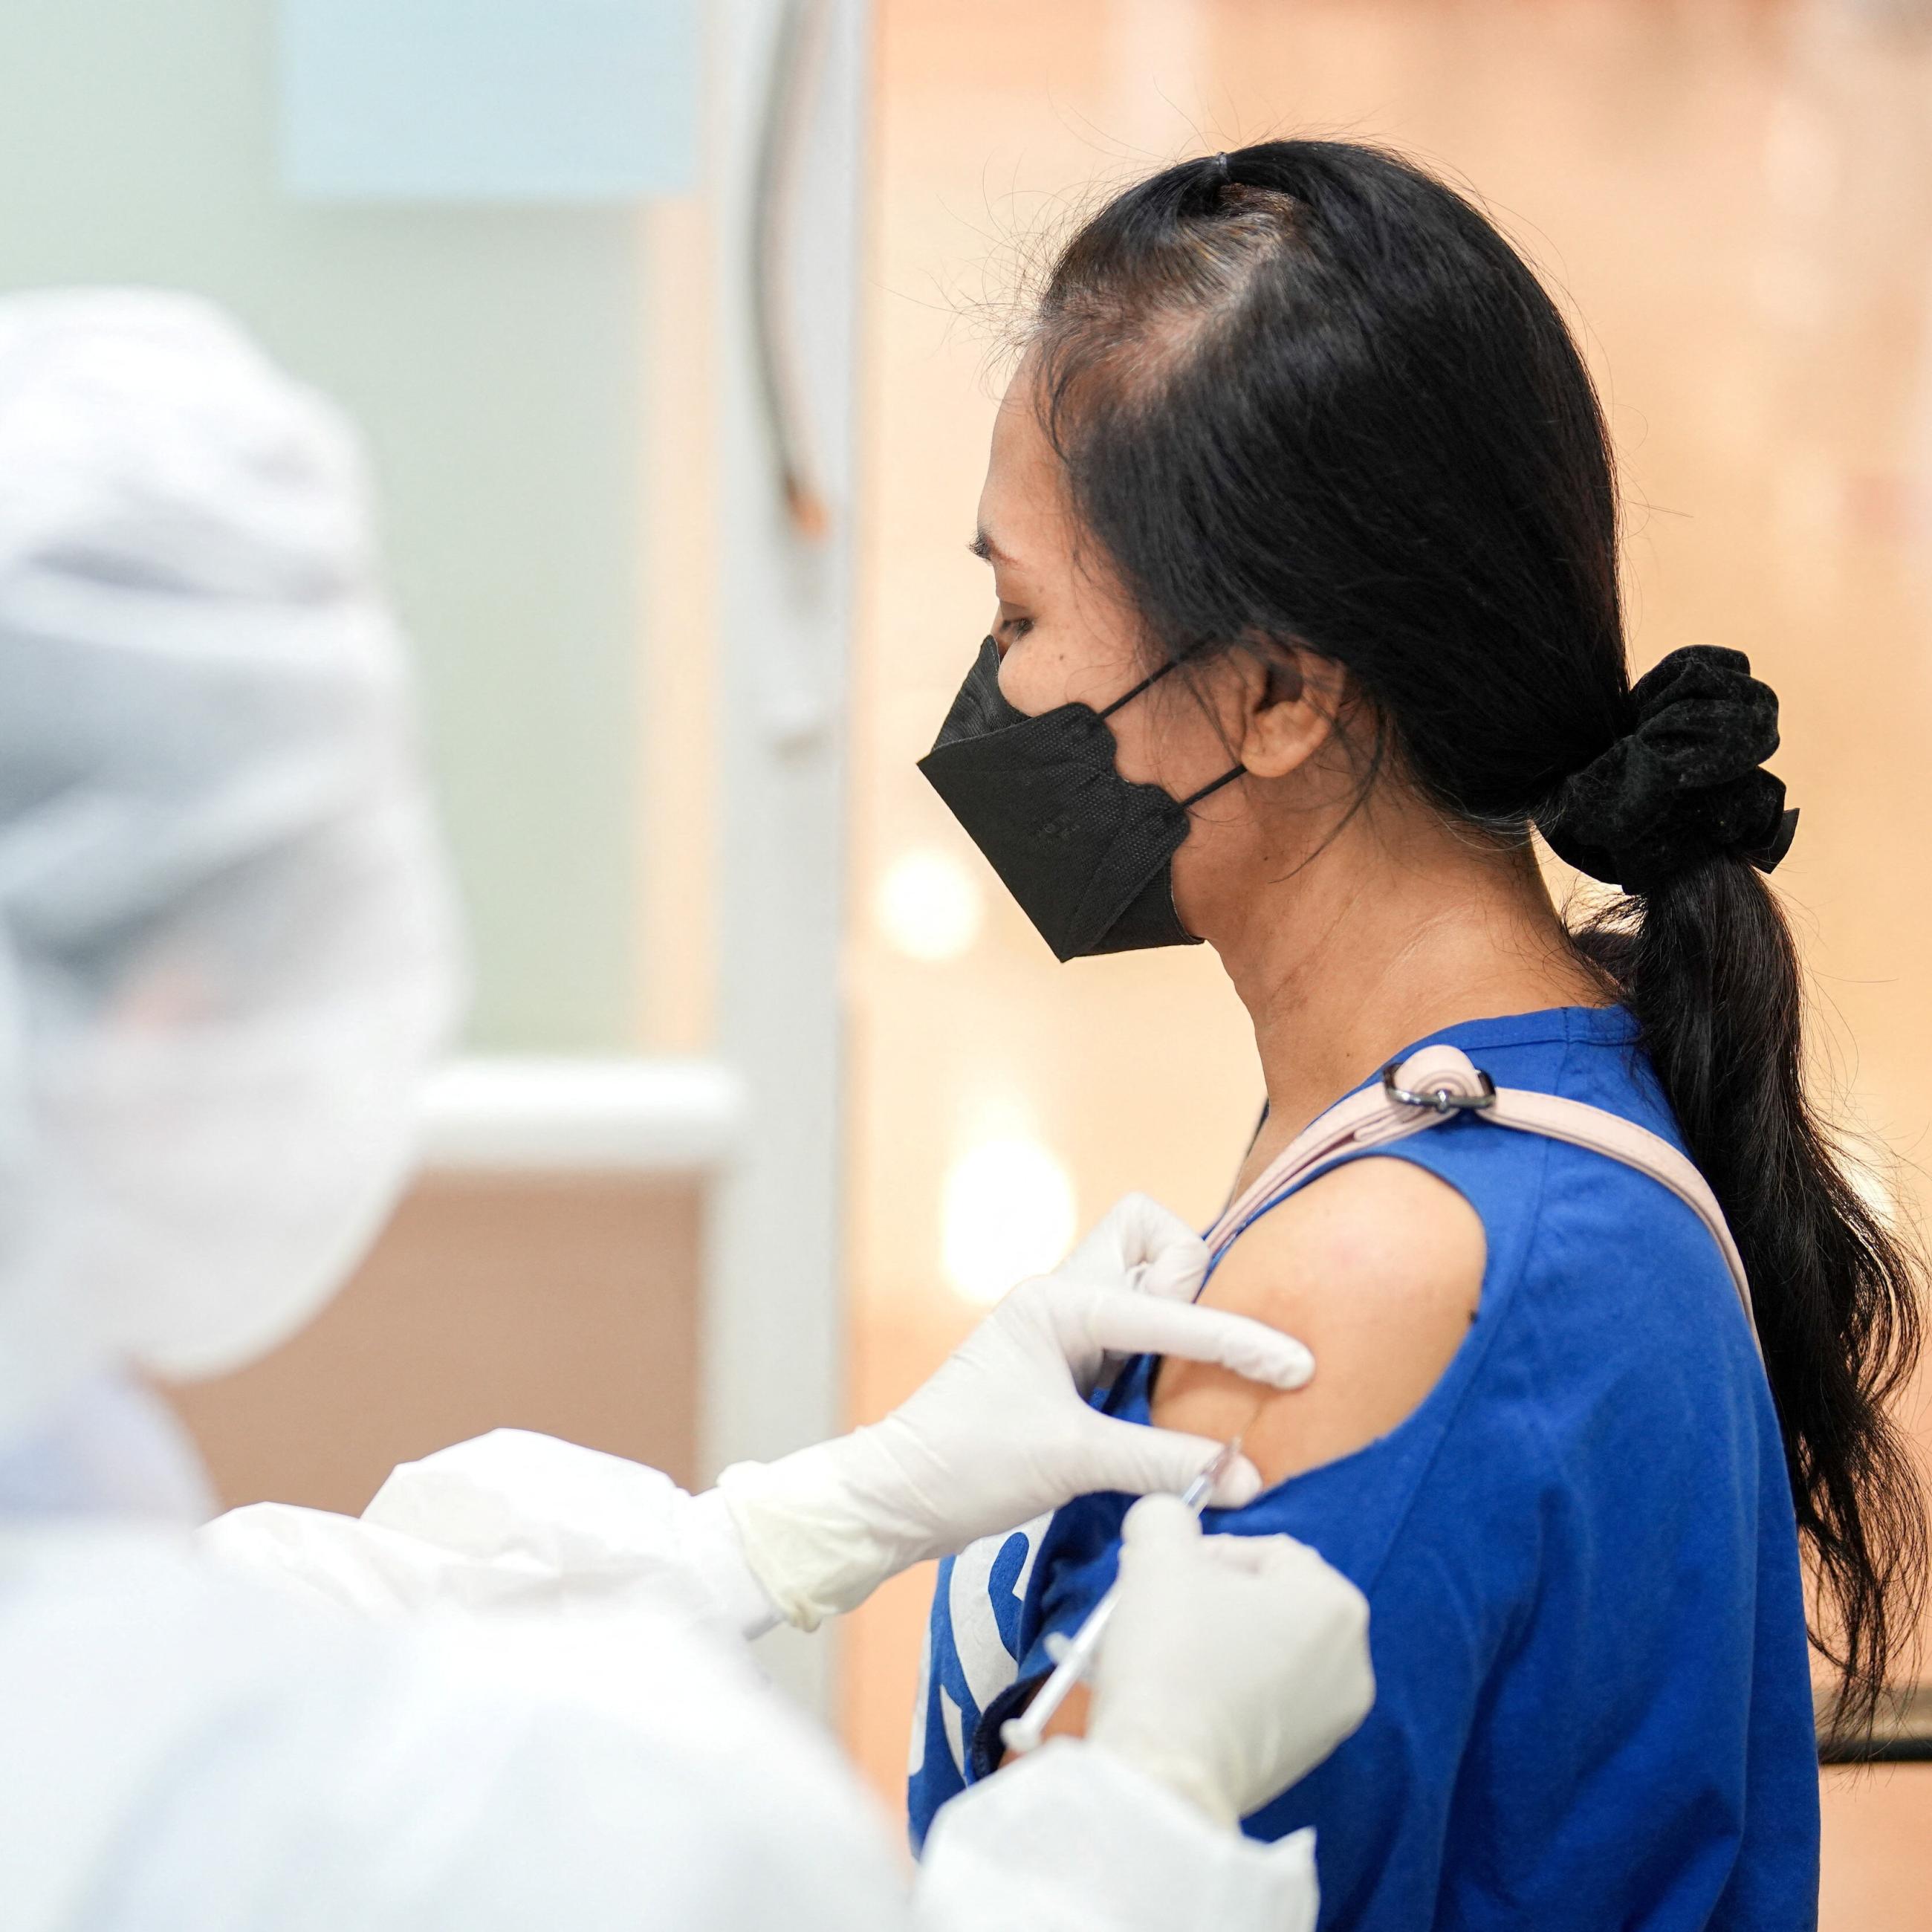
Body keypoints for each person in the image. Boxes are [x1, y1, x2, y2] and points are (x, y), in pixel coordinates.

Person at [0, 287, 1375, 1931]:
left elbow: (253, 1606)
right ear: (163, 1028)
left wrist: (818, 1511)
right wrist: (1148, 1803)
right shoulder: (356, 1828)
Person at [910, 139, 1928, 1927]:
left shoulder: (1385, 1278)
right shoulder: (1530, 1087)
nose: (1001, 695)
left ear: (1283, 694)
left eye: (1024, 616)